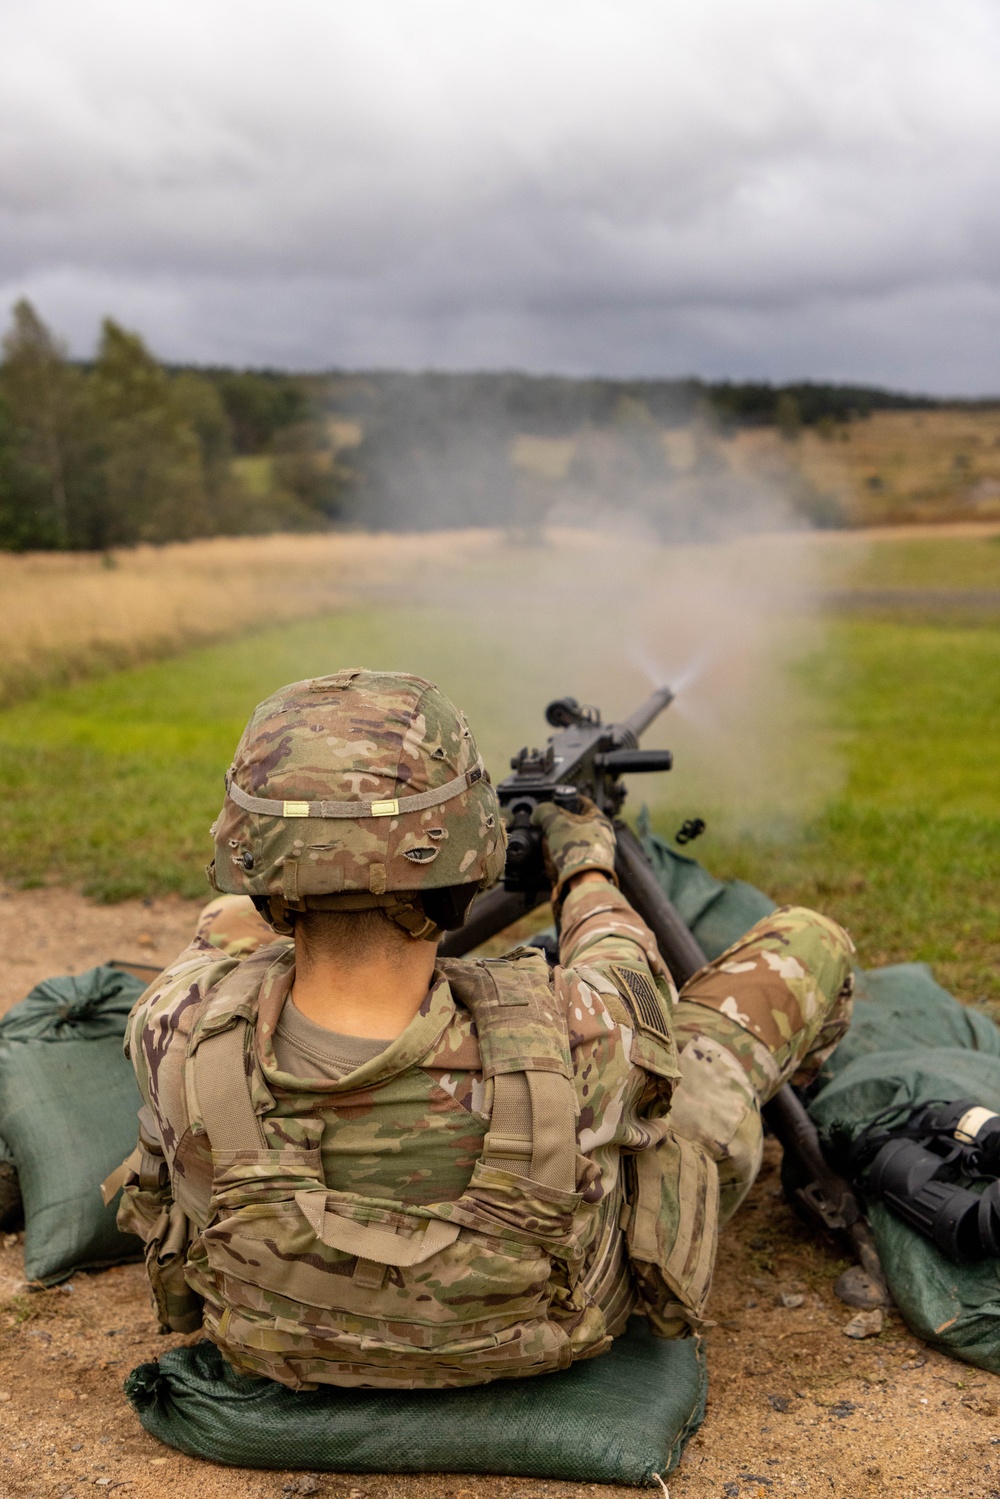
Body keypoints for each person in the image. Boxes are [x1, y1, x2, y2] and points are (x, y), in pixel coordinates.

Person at [119, 668, 854, 1390]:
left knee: (221, 928)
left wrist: (320, 865)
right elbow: (632, 971)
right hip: (557, 1326)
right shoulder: (584, 1034)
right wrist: (586, 867)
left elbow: (227, 933)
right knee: (798, 950)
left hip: (272, 1341)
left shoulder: (170, 1029)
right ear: (469, 850)